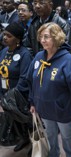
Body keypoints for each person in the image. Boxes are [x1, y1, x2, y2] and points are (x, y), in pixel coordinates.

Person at [27, 22, 71, 157]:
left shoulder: (67, 60)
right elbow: (31, 81)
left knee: (67, 138)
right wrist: (32, 102)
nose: (42, 40)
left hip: (62, 110)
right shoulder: (39, 57)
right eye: (41, 37)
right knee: (50, 136)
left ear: (56, 38)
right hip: (44, 108)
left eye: (46, 37)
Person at [0, 22, 32, 152]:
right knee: (13, 119)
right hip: (5, 91)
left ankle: (33, 141)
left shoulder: (24, 54)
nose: (5, 37)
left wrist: (12, 96)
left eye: (9, 35)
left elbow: (25, 77)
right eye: (4, 34)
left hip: (18, 95)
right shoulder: (3, 51)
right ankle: (22, 139)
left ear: (17, 39)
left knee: (25, 120)